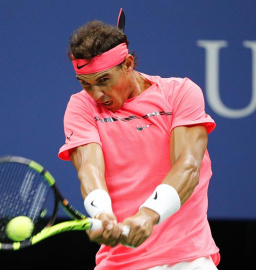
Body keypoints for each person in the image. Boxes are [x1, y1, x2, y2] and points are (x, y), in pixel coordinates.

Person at [58, 9, 220, 270]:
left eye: (103, 80)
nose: (96, 94)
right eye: (85, 84)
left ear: (129, 64)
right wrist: (102, 213)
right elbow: (89, 167)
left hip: (187, 259)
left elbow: (188, 166)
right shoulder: (81, 107)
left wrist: (149, 214)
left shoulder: (179, 93)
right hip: (118, 263)